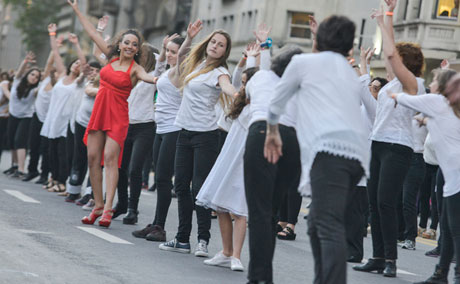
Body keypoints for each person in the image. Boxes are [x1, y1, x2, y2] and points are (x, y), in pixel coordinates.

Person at [264, 15, 369, 284]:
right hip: (355, 155)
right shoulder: (346, 70)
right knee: (316, 225)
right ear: (349, 46)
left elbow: (276, 101)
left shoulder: (303, 63)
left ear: (321, 39)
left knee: (328, 224)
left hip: (331, 151)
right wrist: (317, 36)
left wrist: (272, 132)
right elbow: (319, 63)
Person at [68, 0, 157, 228]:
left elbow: (151, 78)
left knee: (110, 160)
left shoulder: (136, 69)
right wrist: (77, 9)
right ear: (120, 44)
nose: (129, 46)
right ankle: (97, 205)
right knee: (92, 159)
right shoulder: (110, 57)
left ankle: (108, 209)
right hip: (99, 112)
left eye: (134, 44)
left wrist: (162, 80)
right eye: (126, 42)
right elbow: (90, 33)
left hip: (118, 116)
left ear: (138, 49)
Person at [354, 0, 426, 277]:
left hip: (399, 147)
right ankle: (378, 255)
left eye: (396, 58)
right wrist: (384, 18)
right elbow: (389, 50)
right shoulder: (392, 84)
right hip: (379, 143)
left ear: (405, 63)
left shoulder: (413, 85)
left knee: (385, 201)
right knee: (374, 201)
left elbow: (391, 51)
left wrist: (388, 17)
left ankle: (391, 261)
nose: (390, 60)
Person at [159, 19, 238, 256]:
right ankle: (182, 238)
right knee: (181, 186)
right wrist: (190, 37)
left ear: (225, 51)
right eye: (213, 41)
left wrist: (238, 96)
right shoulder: (197, 64)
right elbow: (180, 57)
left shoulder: (220, 71)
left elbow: (227, 88)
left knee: (200, 190)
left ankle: (203, 240)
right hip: (185, 132)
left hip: (206, 136)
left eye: (221, 44)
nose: (215, 46)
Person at [389, 69, 460, 284]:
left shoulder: (436, 101)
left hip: (456, 177)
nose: (433, 81)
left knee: (454, 231)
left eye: (436, 79)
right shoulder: (447, 108)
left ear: (445, 86)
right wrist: (425, 120)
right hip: (452, 177)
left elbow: (402, 98)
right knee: (448, 229)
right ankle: (441, 273)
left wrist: (392, 91)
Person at [243, 40, 302, 283]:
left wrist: (258, 54)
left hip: (262, 133)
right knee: (273, 212)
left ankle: (259, 277)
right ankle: (264, 276)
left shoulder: (260, 78)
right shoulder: (302, 86)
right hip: (291, 140)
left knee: (259, 213)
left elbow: (248, 91)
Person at [132, 35, 185, 241]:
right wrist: (164, 48)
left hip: (174, 128)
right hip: (160, 128)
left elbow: (179, 59)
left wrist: (188, 39)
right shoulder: (167, 70)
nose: (169, 55)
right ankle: (156, 223)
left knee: (164, 179)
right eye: (169, 51)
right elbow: (160, 62)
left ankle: (160, 228)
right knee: (161, 179)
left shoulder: (182, 71)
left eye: (174, 52)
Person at [114, 42, 161, 224]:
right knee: (120, 168)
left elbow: (162, 63)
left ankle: (133, 209)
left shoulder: (153, 73)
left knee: (135, 169)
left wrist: (162, 50)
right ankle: (122, 204)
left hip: (145, 126)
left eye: (142, 52)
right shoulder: (130, 71)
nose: (137, 53)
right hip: (125, 125)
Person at [40, 26, 86, 194]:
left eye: (79, 64)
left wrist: (76, 44)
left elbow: (85, 64)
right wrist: (52, 34)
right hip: (53, 117)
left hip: (66, 120)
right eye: (75, 63)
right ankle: (53, 178)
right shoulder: (61, 75)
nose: (77, 65)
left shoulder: (79, 82)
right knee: (51, 150)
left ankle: (61, 180)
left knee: (63, 152)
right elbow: (56, 53)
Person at [65, 61, 101, 202]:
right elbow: (88, 90)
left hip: (96, 127)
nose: (93, 73)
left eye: (96, 70)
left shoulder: (104, 83)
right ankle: (73, 189)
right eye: (91, 70)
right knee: (78, 156)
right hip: (81, 123)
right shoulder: (87, 82)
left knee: (93, 158)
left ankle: (89, 192)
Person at [23, 48, 59, 184]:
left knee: (45, 148)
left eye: (56, 72)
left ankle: (44, 174)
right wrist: (55, 46)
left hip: (48, 120)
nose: (53, 71)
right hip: (37, 116)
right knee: (33, 145)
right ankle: (32, 170)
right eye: (52, 70)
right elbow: (50, 62)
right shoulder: (44, 80)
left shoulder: (58, 84)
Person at [5, 52, 41, 178]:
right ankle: (14, 165)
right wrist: (25, 61)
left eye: (36, 77)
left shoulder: (35, 90)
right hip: (13, 114)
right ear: (27, 75)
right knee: (11, 140)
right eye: (32, 74)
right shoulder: (18, 80)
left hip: (26, 117)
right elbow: (20, 71)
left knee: (19, 141)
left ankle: (21, 169)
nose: (34, 78)